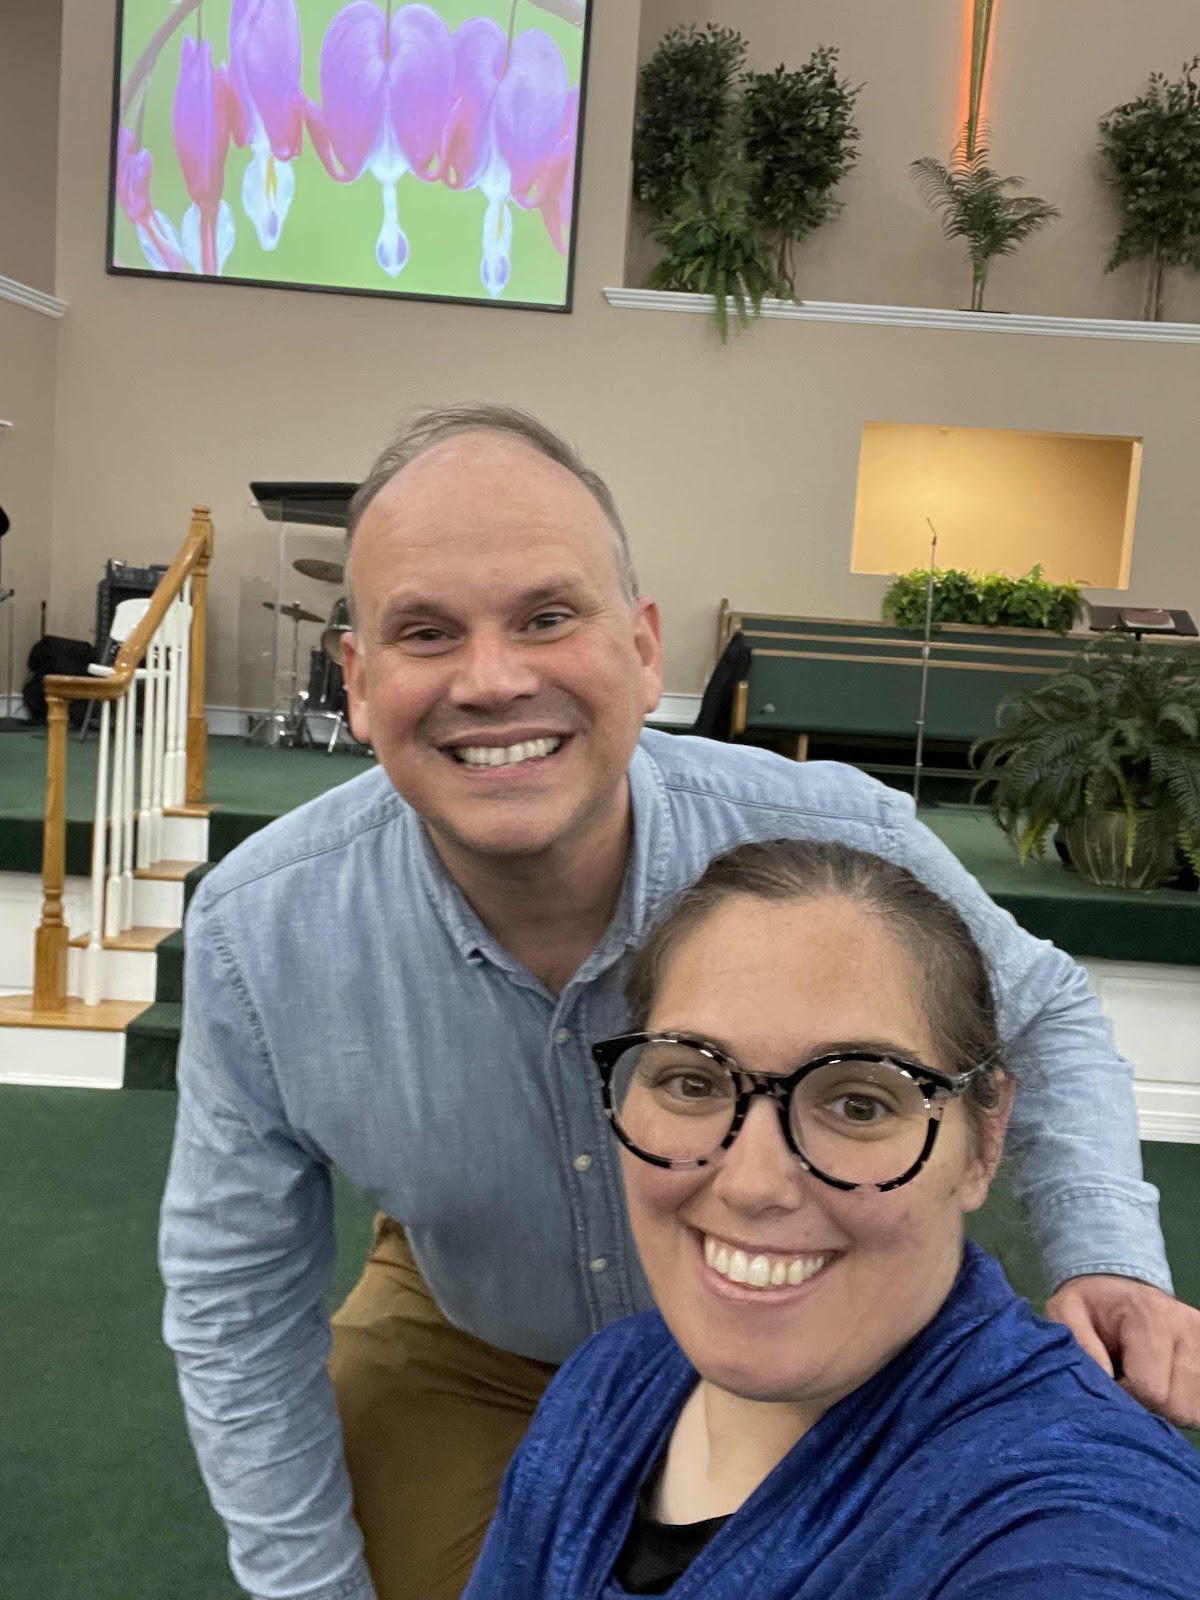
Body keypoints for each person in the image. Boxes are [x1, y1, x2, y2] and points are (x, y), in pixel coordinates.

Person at [159, 404, 1200, 1600]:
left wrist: (1109, 1257)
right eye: (427, 632)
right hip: (474, 1328)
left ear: (646, 649)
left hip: (835, 1345)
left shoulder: (827, 839)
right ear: (356, 680)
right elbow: (234, 1299)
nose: (493, 679)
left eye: (548, 616)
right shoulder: (261, 931)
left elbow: (1042, 1014)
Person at [464, 838, 1200, 1600]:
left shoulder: (1073, 1515)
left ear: (984, 1141)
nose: (753, 1184)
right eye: (691, 1082)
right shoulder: (608, 1384)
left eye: (858, 1104)